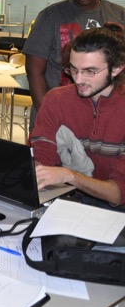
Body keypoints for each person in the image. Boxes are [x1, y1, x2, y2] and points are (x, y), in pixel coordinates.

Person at [23, 0, 125, 121]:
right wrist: (46, 116)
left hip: (108, 115)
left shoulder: (119, 16)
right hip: (59, 110)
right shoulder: (50, 16)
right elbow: (34, 71)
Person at [32, 27, 125, 209]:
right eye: (73, 69)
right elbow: (43, 158)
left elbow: (118, 193)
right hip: (66, 197)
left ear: (116, 69)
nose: (78, 80)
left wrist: (70, 176)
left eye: (90, 71)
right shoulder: (55, 99)